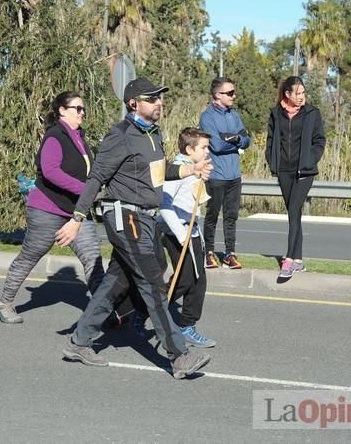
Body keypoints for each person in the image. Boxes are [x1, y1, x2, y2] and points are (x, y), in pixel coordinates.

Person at [56, 77, 213, 379]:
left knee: (115, 283)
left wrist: (190, 169)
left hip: (144, 218)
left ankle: (79, 341)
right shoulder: (120, 135)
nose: (159, 103)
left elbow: (159, 171)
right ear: (133, 104)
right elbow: (96, 178)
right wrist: (76, 219)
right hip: (124, 217)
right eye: (152, 99)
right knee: (152, 284)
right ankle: (179, 356)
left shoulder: (153, 135)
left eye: (160, 98)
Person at [0, 91, 104, 324]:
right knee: (31, 255)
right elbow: (50, 171)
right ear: (62, 111)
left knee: (93, 257)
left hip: (76, 211)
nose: (82, 113)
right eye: (77, 109)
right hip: (47, 209)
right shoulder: (55, 135)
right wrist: (84, 189)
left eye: (84, 109)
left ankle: (102, 311)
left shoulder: (80, 138)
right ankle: (4, 303)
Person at [158, 127, 215, 348]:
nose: (207, 151)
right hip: (177, 232)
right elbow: (164, 205)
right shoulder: (179, 169)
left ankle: (187, 326)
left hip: (193, 232)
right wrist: (182, 235)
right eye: (203, 147)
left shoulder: (195, 169)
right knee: (183, 281)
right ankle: (146, 311)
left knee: (199, 280)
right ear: (190, 149)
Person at [265, 76, 326, 280]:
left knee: (293, 210)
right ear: (287, 94)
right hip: (283, 170)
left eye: (303, 93)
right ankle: (299, 260)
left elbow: (319, 140)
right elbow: (271, 140)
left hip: (304, 171)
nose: (301, 97)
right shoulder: (276, 114)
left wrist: (311, 158)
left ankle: (289, 260)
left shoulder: (312, 113)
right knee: (294, 214)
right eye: (297, 93)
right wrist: (271, 160)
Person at [199, 77, 250, 270]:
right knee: (212, 215)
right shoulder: (207, 117)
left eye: (233, 92)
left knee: (231, 217)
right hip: (216, 175)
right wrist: (236, 140)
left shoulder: (234, 115)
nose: (233, 96)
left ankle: (230, 254)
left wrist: (235, 138)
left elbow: (247, 140)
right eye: (229, 93)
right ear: (217, 95)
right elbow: (217, 146)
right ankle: (209, 253)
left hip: (234, 175)